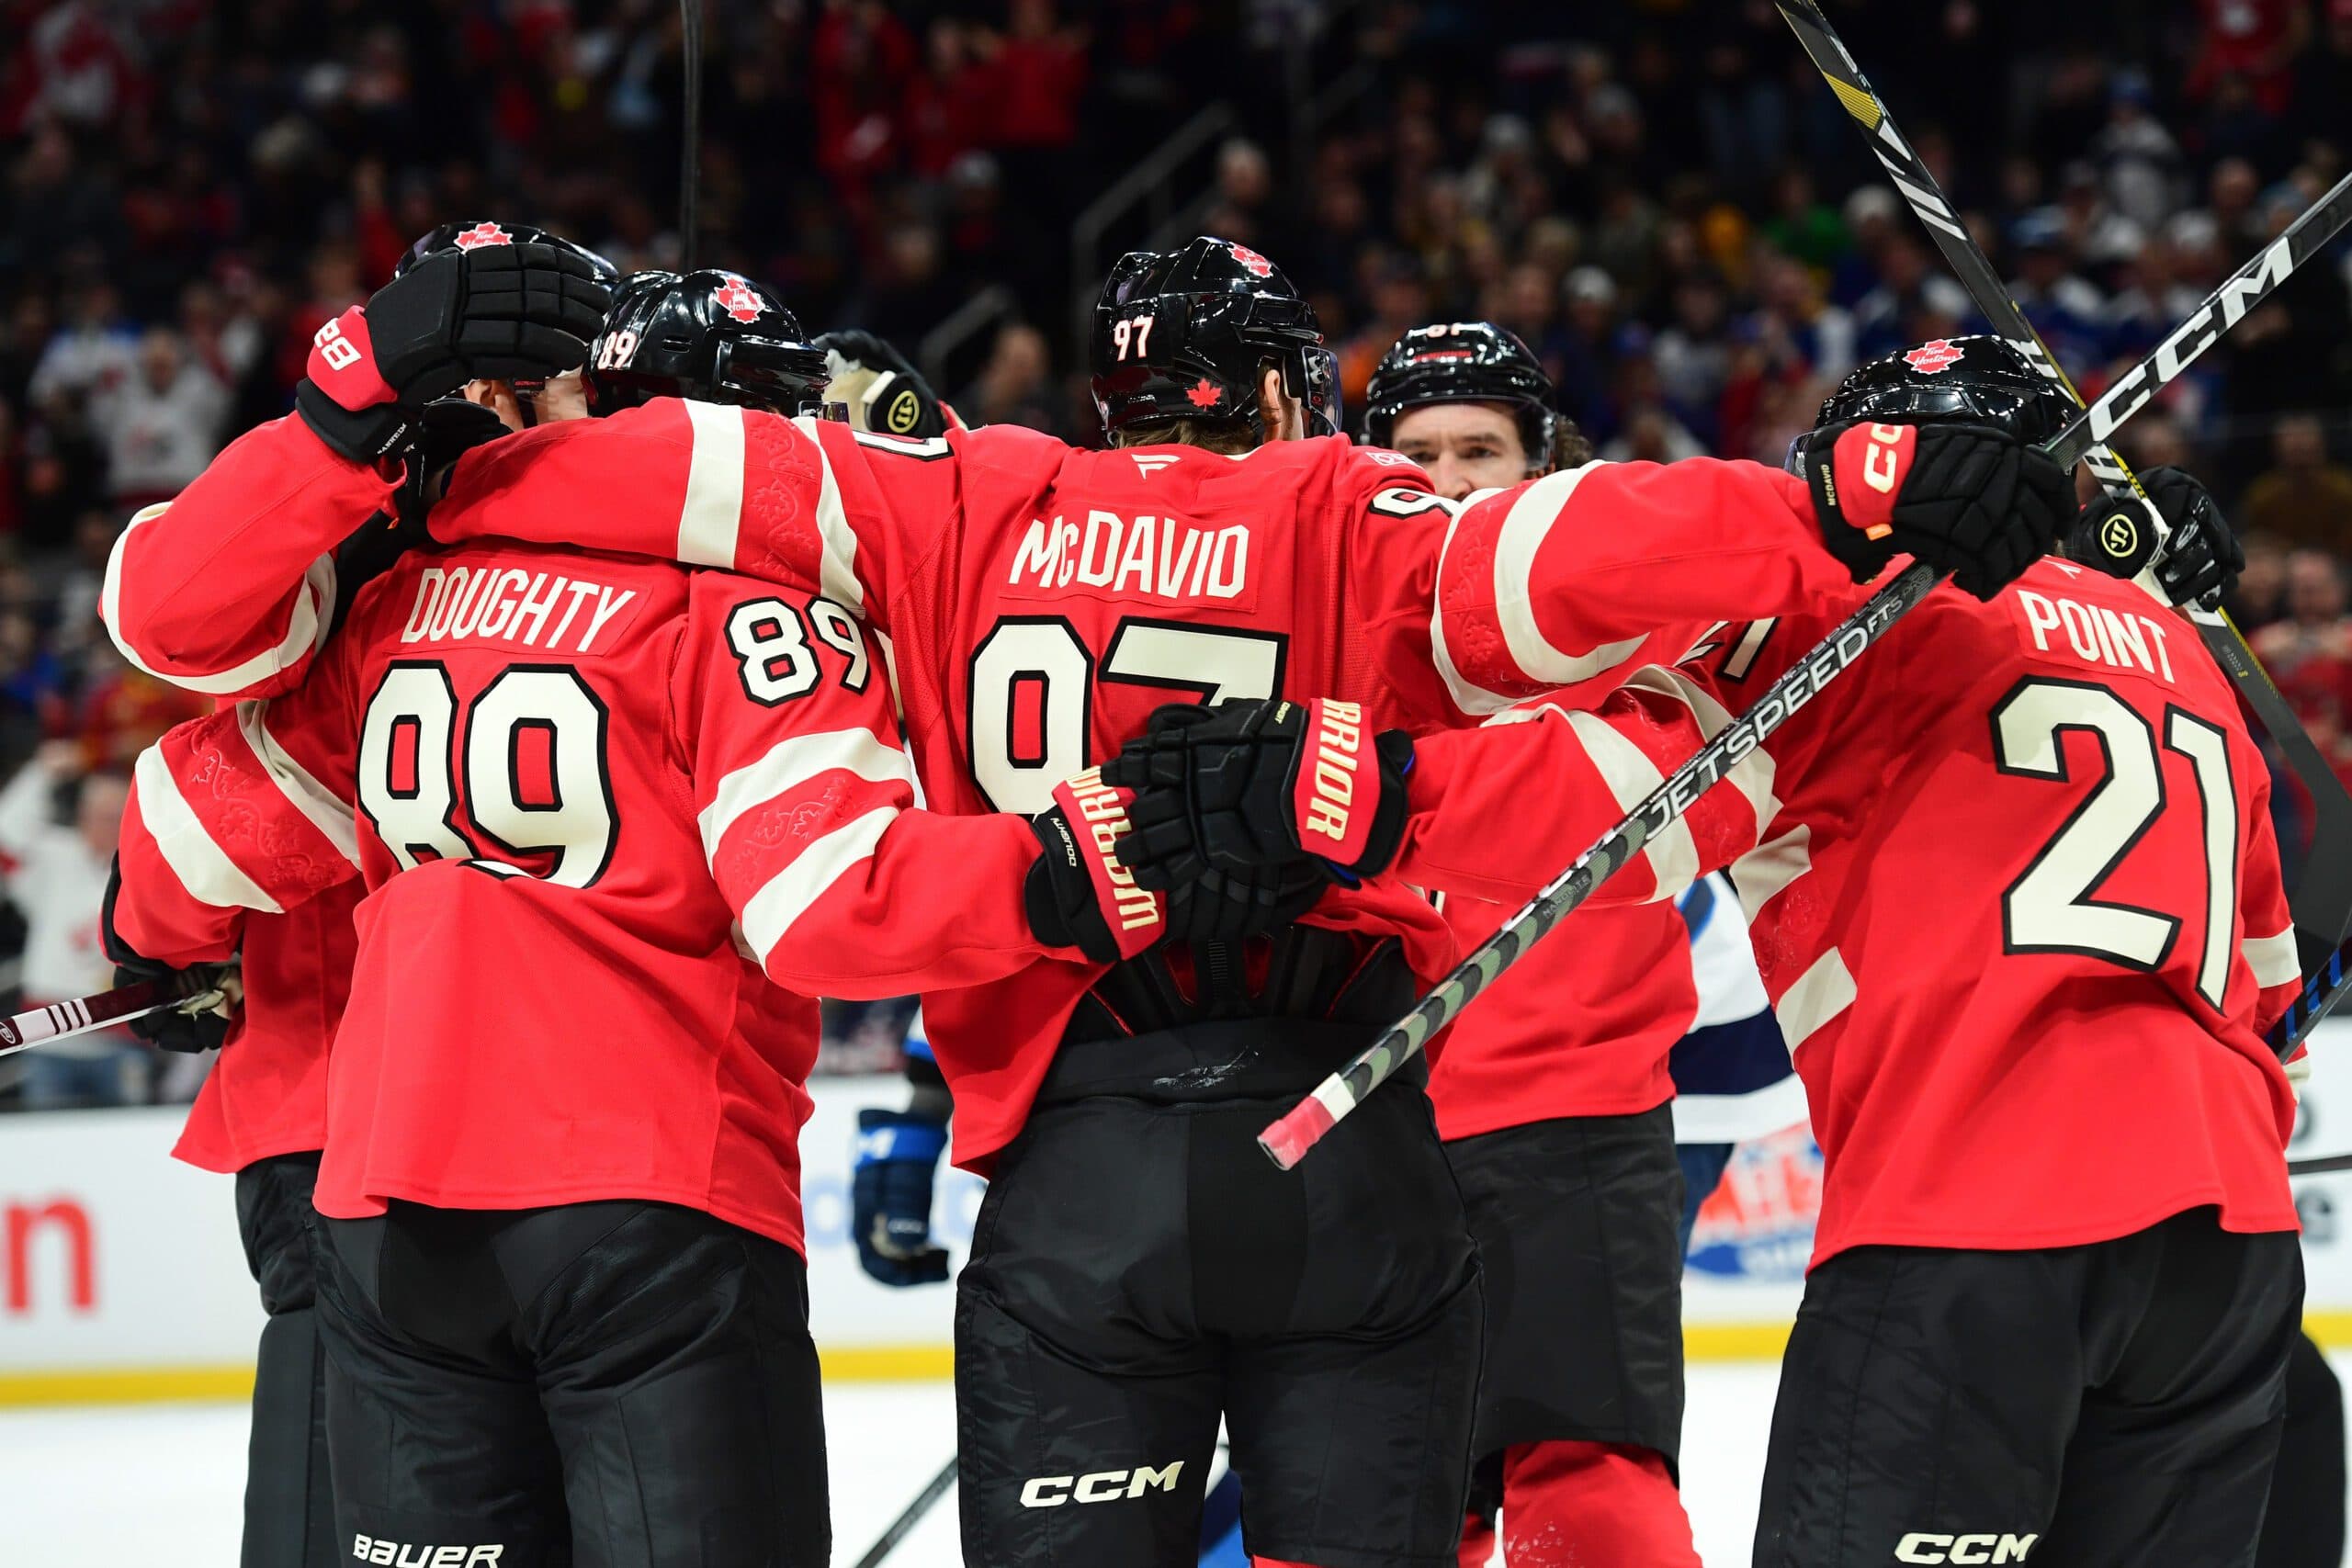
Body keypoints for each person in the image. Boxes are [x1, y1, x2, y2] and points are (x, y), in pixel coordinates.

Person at [404, 234, 2064, 1567]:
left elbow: (632, 485)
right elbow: (1573, 555)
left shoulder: (961, 499)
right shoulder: (1352, 512)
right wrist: (1828, 506)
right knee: (1552, 1486)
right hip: (1345, 1154)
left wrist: (410, 478)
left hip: (1072, 1181)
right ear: (1281, 398)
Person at [1117, 337, 2301, 1567]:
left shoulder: (1857, 619)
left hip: (1971, 1217)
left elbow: (1610, 818)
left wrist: (1359, 792)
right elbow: (2269, 991)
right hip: (2228, 1259)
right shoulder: (2179, 652)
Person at [105, 264, 1183, 1568]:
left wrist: (158, 946)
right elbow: (831, 901)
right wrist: (1094, 861)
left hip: (388, 1218)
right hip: (648, 1196)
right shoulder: (754, 614)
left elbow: (191, 829)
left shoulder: (409, 594)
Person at [96, 219, 617, 1568]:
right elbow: (165, 610)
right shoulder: (354, 516)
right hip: (359, 1141)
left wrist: (156, 924)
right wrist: (348, 404)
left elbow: (219, 802)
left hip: (575, 1135)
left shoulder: (622, 533)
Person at [1363, 321, 1705, 1568]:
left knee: (1592, 1485)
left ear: (1539, 467)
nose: (1450, 480)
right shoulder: (1326, 630)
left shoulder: (1633, 617)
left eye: (1479, 451)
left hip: (1571, 1120)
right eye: (1419, 453)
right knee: (1392, 1515)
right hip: (1372, 1127)